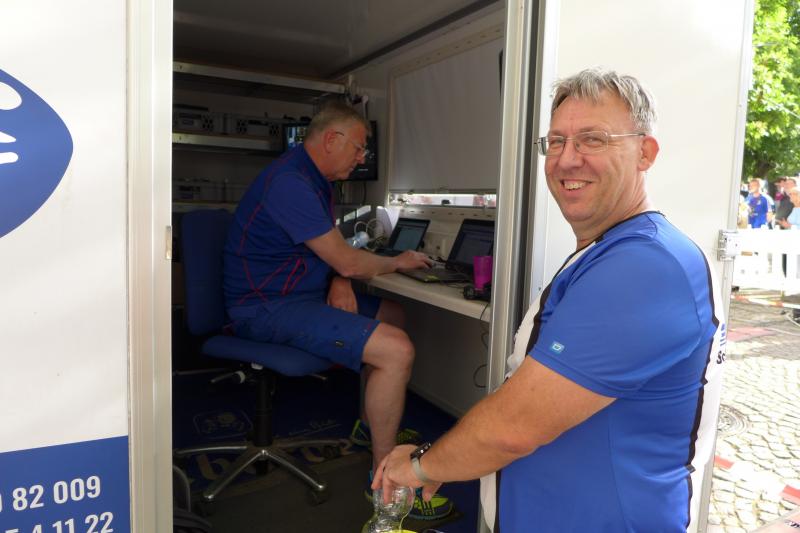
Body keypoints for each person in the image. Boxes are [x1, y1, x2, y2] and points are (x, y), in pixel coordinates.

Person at [374, 68, 727, 532]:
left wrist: (421, 466)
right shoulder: (608, 251)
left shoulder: (647, 266)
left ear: (645, 153)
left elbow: (513, 427)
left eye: (593, 140)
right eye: (556, 142)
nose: (567, 160)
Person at [222, 101, 452, 520]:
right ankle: (387, 482)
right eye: (359, 148)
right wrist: (394, 262)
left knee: (393, 316)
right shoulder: (290, 183)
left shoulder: (314, 180)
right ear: (331, 139)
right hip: (265, 306)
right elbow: (345, 258)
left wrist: (340, 279)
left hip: (300, 293)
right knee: (396, 349)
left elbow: (329, 252)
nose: (362, 157)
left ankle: (368, 425)